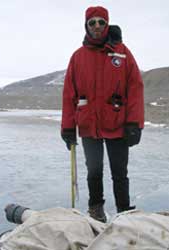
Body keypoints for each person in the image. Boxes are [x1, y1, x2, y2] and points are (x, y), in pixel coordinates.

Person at [61, 6, 144, 223]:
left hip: (117, 123)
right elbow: (69, 93)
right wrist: (68, 127)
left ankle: (124, 213)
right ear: (86, 26)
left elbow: (135, 88)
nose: (97, 26)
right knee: (94, 170)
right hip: (89, 124)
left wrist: (135, 122)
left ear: (107, 24)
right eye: (92, 22)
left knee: (119, 172)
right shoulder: (77, 57)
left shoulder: (123, 53)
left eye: (101, 22)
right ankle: (96, 210)